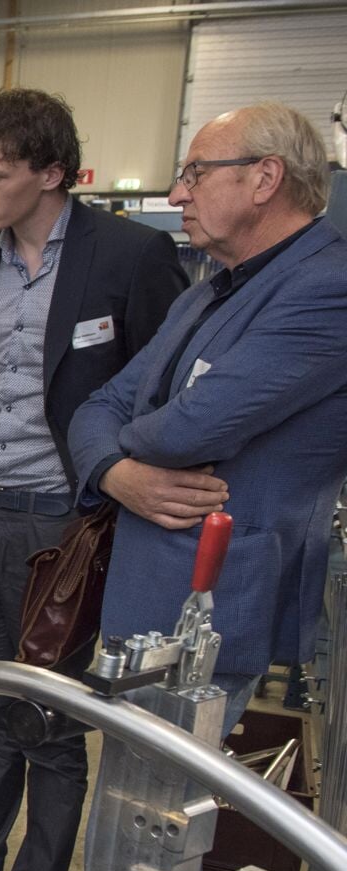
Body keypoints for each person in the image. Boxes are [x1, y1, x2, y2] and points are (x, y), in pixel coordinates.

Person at [0, 89, 190, 871]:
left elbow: (159, 395)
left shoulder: (128, 257)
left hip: (67, 521)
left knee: (49, 721)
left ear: (53, 173)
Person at [69, 101, 347, 740]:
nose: (176, 193)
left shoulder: (327, 287)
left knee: (160, 818)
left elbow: (189, 429)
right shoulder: (209, 290)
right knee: (133, 806)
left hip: (208, 617)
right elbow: (96, 405)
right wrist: (117, 472)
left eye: (195, 173)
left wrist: (127, 444)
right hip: (145, 599)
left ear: (264, 178)